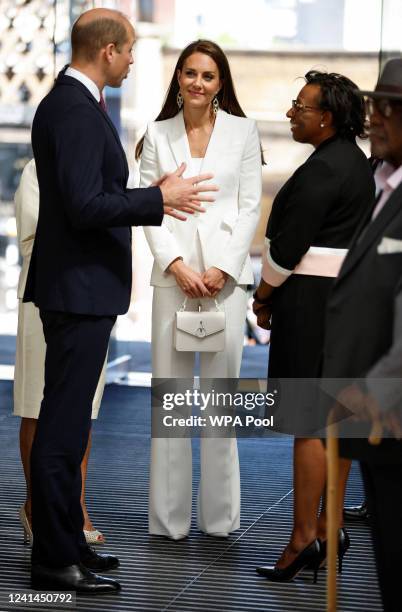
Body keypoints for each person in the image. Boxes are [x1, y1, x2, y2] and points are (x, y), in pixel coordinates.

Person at [24, 9, 218, 594]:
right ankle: (55, 559)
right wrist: (156, 198)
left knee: (70, 428)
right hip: (78, 291)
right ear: (106, 51)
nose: (135, 59)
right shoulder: (76, 111)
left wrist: (150, 198)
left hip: (80, 289)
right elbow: (87, 205)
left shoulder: (74, 105)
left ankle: (68, 542)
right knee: (62, 431)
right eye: (129, 49)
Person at [136, 39, 262, 540]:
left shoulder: (245, 132)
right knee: (169, 403)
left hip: (224, 286)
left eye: (207, 76)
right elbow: (148, 207)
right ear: (179, 78)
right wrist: (177, 264)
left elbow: (250, 206)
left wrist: (224, 269)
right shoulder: (156, 132)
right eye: (189, 73)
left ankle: (220, 520)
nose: (197, 83)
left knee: (219, 403)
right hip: (173, 281)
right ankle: (168, 523)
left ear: (220, 84)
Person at [253, 70, 375, 581]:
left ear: (326, 118)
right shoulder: (356, 163)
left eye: (300, 108)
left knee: (307, 426)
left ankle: (304, 539)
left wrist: (263, 296)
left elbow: (287, 246)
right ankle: (328, 529)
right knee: (336, 425)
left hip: (310, 306)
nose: (290, 114)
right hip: (342, 306)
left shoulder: (324, 169)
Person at [321, 58, 402, 611]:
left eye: (391, 109)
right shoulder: (383, 186)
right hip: (376, 426)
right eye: (376, 105)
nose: (377, 118)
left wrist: (378, 389)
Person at [14, 159, 106, 546]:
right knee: (37, 402)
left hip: (92, 293)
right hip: (45, 294)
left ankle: (76, 506)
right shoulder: (38, 169)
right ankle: (35, 505)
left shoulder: (103, 170)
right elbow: (34, 235)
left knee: (82, 407)